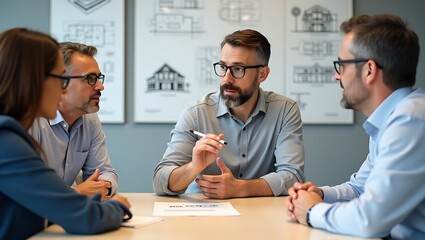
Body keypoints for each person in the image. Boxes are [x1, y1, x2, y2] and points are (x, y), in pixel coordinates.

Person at [286, 14, 425, 240]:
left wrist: (312, 211)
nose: (336, 76)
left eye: (341, 65)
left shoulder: (411, 120)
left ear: (369, 70)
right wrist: (319, 194)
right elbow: (360, 189)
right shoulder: (391, 118)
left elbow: (370, 220)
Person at [0, 28, 131, 239]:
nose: (62, 89)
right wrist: (117, 207)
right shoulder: (5, 139)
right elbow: (83, 218)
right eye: (58, 77)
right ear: (33, 79)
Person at [153, 29, 305, 199]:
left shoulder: (285, 110)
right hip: (202, 214)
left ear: (262, 74)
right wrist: (193, 167)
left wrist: (240, 188)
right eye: (223, 67)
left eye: (238, 69)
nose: (226, 79)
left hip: (259, 214)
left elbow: (293, 176)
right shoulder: (196, 113)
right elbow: (160, 181)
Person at [28, 42, 117, 201]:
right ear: (61, 82)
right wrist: (76, 193)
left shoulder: (89, 119)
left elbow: (105, 172)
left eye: (99, 78)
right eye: (90, 78)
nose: (100, 86)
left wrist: (103, 187)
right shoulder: (32, 120)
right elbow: (28, 191)